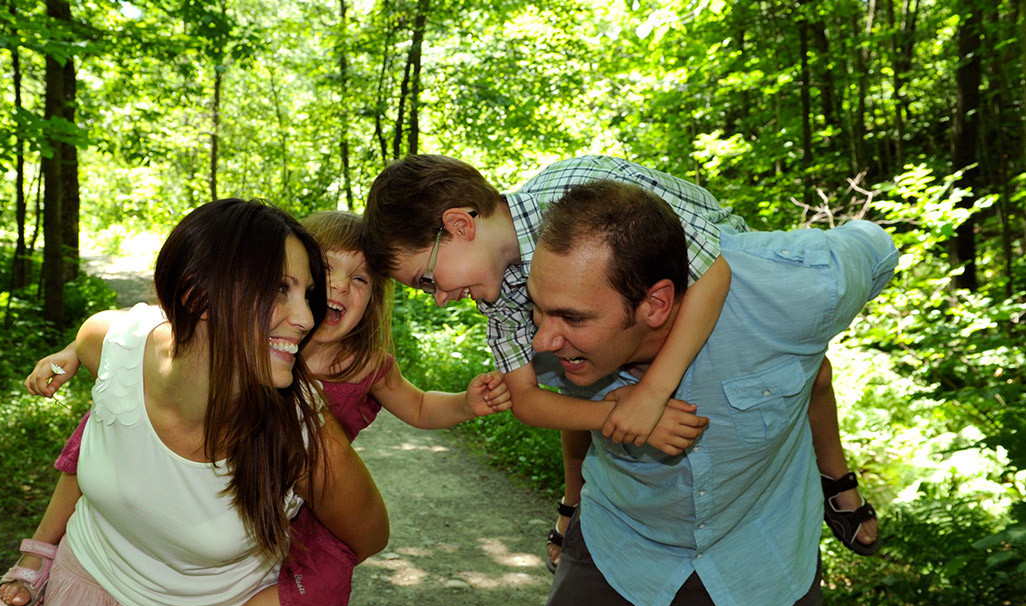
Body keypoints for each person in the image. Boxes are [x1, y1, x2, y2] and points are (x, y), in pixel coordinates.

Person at [0, 210, 510, 606]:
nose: (307, 315)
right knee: (101, 426)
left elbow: (406, 433)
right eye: (285, 287)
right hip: (100, 578)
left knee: (319, 583)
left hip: (276, 544)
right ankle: (42, 550)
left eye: (358, 280)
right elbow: (113, 343)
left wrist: (464, 405)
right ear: (200, 297)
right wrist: (68, 354)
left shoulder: (315, 417)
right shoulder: (123, 344)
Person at [360, 154, 881, 568]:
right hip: (640, 326)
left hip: (720, 278)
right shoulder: (498, 295)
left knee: (806, 371)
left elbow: (712, 270)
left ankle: (833, 474)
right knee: (569, 373)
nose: (439, 299)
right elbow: (526, 400)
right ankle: (577, 498)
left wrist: (651, 396)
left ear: (459, 225)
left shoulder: (579, 194)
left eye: (427, 280)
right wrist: (616, 412)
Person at [515, 180, 897, 606]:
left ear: (656, 304)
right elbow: (572, 409)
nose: (542, 338)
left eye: (572, 318)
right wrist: (571, 506)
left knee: (809, 372)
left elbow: (877, 245)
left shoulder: (798, 288)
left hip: (759, 558)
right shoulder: (550, 329)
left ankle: (837, 485)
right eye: (538, 309)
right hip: (619, 545)